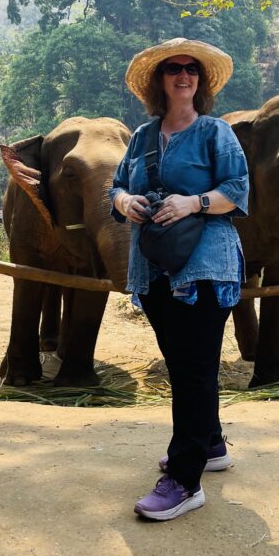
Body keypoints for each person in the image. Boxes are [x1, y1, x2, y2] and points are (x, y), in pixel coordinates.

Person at [109, 37, 249, 521]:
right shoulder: (143, 136)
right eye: (174, 69)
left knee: (192, 367)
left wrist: (193, 202)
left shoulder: (215, 133)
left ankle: (185, 480)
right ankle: (209, 445)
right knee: (183, 362)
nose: (183, 75)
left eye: (192, 69)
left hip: (206, 265)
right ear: (160, 80)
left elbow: (237, 189)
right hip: (153, 267)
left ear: (201, 81)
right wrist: (125, 202)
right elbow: (118, 185)